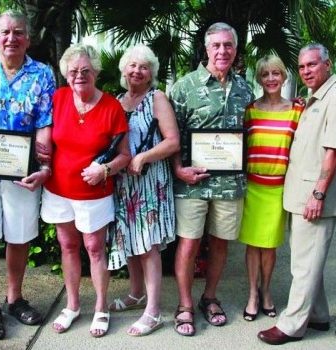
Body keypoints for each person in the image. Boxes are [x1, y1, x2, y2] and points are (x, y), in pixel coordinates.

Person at [40, 44, 130, 338]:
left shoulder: (112, 107)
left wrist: (105, 170)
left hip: (94, 194)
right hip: (58, 190)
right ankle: (73, 305)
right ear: (66, 75)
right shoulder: (58, 98)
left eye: (86, 70)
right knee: (67, 247)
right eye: (74, 71)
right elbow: (45, 140)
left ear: (96, 73)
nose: (80, 75)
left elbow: (125, 156)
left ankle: (101, 308)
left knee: (94, 249)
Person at [169, 22, 253, 336]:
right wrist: (178, 168)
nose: (222, 51)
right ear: (206, 49)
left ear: (235, 49)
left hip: (229, 185)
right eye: (216, 45)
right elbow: (171, 135)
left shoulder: (245, 89)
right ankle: (185, 304)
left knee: (220, 243)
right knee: (189, 243)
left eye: (228, 45)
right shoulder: (183, 87)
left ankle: (210, 297)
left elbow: (250, 135)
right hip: (192, 182)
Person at [0, 10, 55, 340]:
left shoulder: (43, 74)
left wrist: (44, 159)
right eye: (6, 32)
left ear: (29, 38)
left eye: (19, 33)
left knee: (20, 238)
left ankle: (14, 298)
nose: (12, 38)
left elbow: (45, 122)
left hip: (23, 174)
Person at [258, 43, 336, 345]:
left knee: (303, 264)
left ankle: (292, 325)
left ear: (327, 64)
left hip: (314, 197)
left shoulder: (334, 97)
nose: (306, 71)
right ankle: (317, 315)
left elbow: (332, 151)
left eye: (312, 65)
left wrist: (318, 194)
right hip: (300, 193)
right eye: (302, 66)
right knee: (308, 258)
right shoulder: (316, 98)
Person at [107, 44, 180, 336]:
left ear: (152, 73)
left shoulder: (157, 98)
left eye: (144, 66)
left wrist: (143, 156)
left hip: (150, 180)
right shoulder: (116, 101)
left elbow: (173, 141)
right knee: (130, 241)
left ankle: (153, 311)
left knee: (148, 245)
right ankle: (136, 293)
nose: (137, 71)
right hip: (124, 183)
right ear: (124, 70)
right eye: (133, 65)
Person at [238, 55, 302, 322]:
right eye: (265, 74)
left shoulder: (297, 110)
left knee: (270, 245)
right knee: (253, 244)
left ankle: (266, 292)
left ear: (284, 77)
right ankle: (253, 294)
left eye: (276, 73)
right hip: (254, 187)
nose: (271, 79)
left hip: (279, 188)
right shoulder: (250, 110)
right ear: (260, 79)